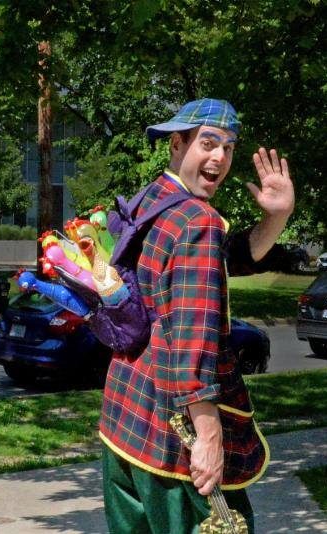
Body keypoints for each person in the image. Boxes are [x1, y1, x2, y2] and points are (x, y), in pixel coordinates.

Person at [98, 98, 294, 534]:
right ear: (177, 143)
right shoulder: (198, 222)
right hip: (174, 440)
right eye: (208, 142)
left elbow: (225, 260)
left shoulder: (151, 201)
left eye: (228, 146)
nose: (220, 157)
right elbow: (192, 340)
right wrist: (208, 438)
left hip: (125, 419)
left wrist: (275, 218)